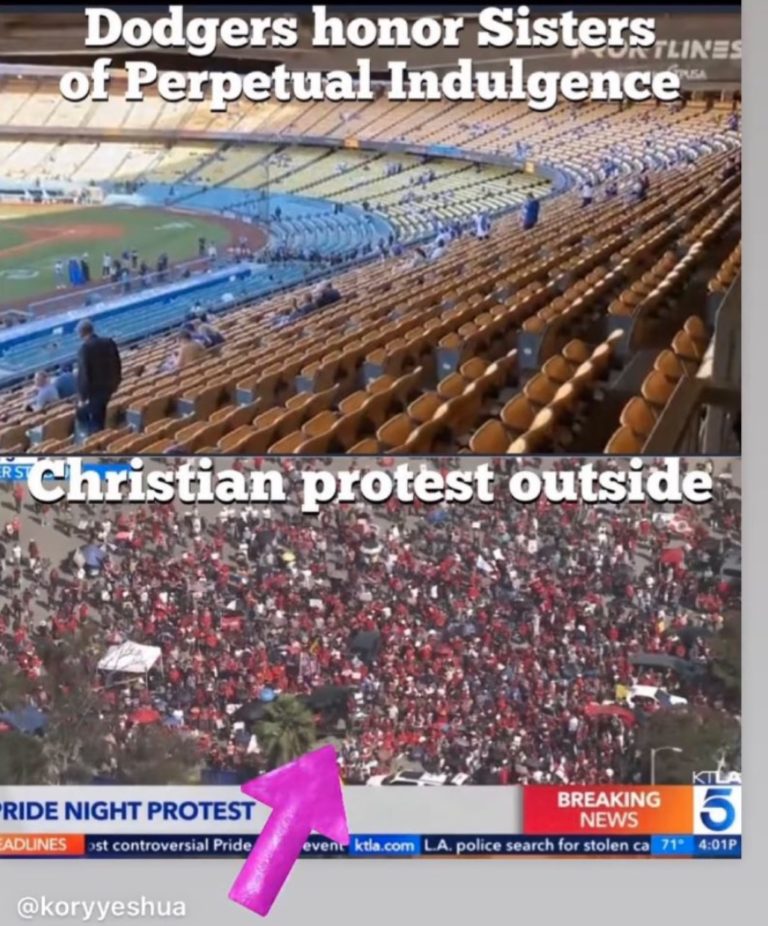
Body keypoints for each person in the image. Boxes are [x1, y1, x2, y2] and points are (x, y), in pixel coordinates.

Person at [75, 320, 122, 435]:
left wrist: (82, 397)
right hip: (110, 387)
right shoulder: (109, 342)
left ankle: (96, 443)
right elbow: (117, 364)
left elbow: (84, 374)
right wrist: (116, 383)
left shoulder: (85, 348)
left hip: (96, 392)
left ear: (81, 333)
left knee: (91, 418)